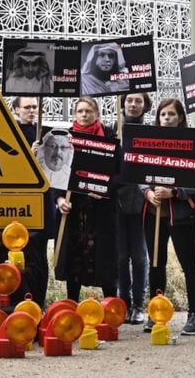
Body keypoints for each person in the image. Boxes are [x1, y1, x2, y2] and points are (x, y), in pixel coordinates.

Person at [142, 98, 195, 335]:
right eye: (163, 115)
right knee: (156, 264)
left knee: (189, 264)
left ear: (180, 118)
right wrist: (147, 193)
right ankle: (156, 312)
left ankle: (194, 315)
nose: (167, 118)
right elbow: (138, 171)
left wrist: (175, 192)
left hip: (181, 215)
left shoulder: (192, 142)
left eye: (171, 114)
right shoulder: (148, 142)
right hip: (154, 214)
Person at [54, 96, 118, 301]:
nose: (84, 115)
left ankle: (110, 307)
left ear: (97, 114)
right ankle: (71, 305)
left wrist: (105, 190)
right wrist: (59, 200)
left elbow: (120, 173)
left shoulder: (109, 137)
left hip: (101, 210)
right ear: (75, 114)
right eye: (80, 111)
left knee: (105, 259)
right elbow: (56, 172)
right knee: (74, 258)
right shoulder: (66, 139)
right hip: (74, 210)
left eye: (88, 111)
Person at [12, 96, 57, 308]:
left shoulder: (46, 133)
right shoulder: (11, 134)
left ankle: (39, 301)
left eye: (34, 107)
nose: (31, 111)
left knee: (40, 256)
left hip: (43, 203)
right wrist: (29, 156)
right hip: (19, 205)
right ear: (16, 110)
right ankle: (22, 300)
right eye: (27, 107)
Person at [114, 93, 151, 325]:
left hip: (142, 202)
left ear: (145, 105)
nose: (133, 105)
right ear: (122, 103)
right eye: (129, 101)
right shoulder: (113, 131)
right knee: (119, 256)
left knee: (139, 256)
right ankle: (123, 302)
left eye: (138, 101)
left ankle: (139, 303)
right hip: (117, 202)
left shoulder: (151, 133)